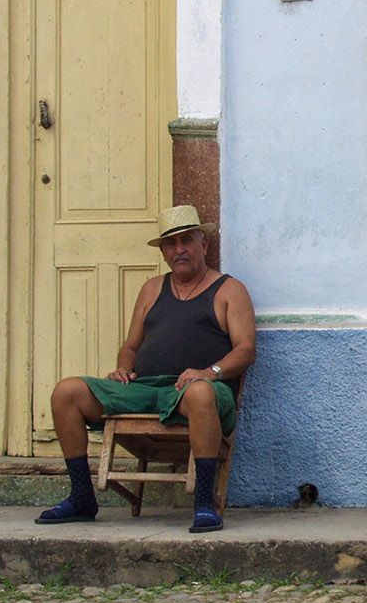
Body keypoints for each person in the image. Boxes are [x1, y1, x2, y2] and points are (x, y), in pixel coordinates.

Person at [35, 204, 256, 533]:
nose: (179, 249)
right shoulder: (152, 289)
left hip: (199, 391)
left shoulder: (229, 290)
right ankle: (82, 496)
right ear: (164, 252)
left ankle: (204, 503)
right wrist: (123, 368)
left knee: (198, 393)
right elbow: (131, 346)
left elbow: (246, 350)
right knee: (67, 392)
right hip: (143, 389)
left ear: (204, 245)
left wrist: (209, 372)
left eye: (186, 241)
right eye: (171, 244)